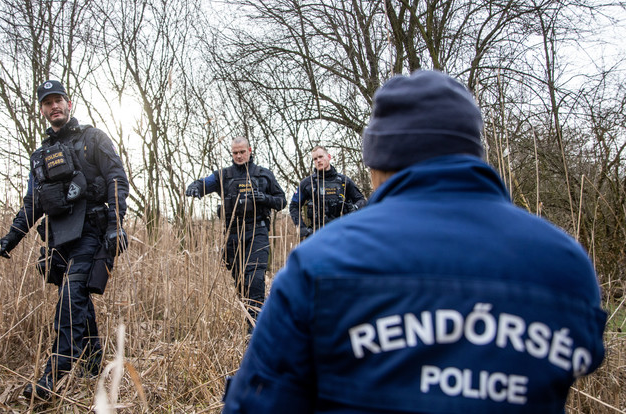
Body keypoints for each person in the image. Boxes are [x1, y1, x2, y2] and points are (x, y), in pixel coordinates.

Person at [222, 70, 606, 413]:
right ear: (473, 151)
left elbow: (256, 403)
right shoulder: (567, 264)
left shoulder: (319, 264)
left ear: (377, 162)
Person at [0, 80, 129, 401]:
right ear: (42, 110)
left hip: (93, 232)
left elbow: (117, 179)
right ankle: (94, 363)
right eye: (47, 103)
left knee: (70, 298)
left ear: (69, 104)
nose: (53, 106)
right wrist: (12, 237)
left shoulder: (93, 138)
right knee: (77, 297)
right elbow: (33, 202)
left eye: (58, 100)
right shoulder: (40, 155)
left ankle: (54, 374)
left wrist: (115, 225)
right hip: (59, 239)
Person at [185, 137, 286, 330]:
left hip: (258, 230)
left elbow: (282, 201)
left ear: (249, 150)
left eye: (242, 152)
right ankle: (256, 315)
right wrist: (196, 187)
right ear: (232, 153)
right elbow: (205, 183)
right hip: (233, 234)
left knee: (255, 279)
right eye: (235, 153)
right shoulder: (224, 175)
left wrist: (264, 198)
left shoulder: (264, 175)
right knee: (241, 283)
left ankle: (255, 330)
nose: (239, 156)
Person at [289, 146, 366, 239]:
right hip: (318, 234)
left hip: (343, 232)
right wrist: (301, 227)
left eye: (321, 157)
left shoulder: (344, 181)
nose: (318, 160)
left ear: (329, 157)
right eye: (315, 159)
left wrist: (355, 208)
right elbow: (294, 205)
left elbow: (361, 200)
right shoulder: (307, 183)